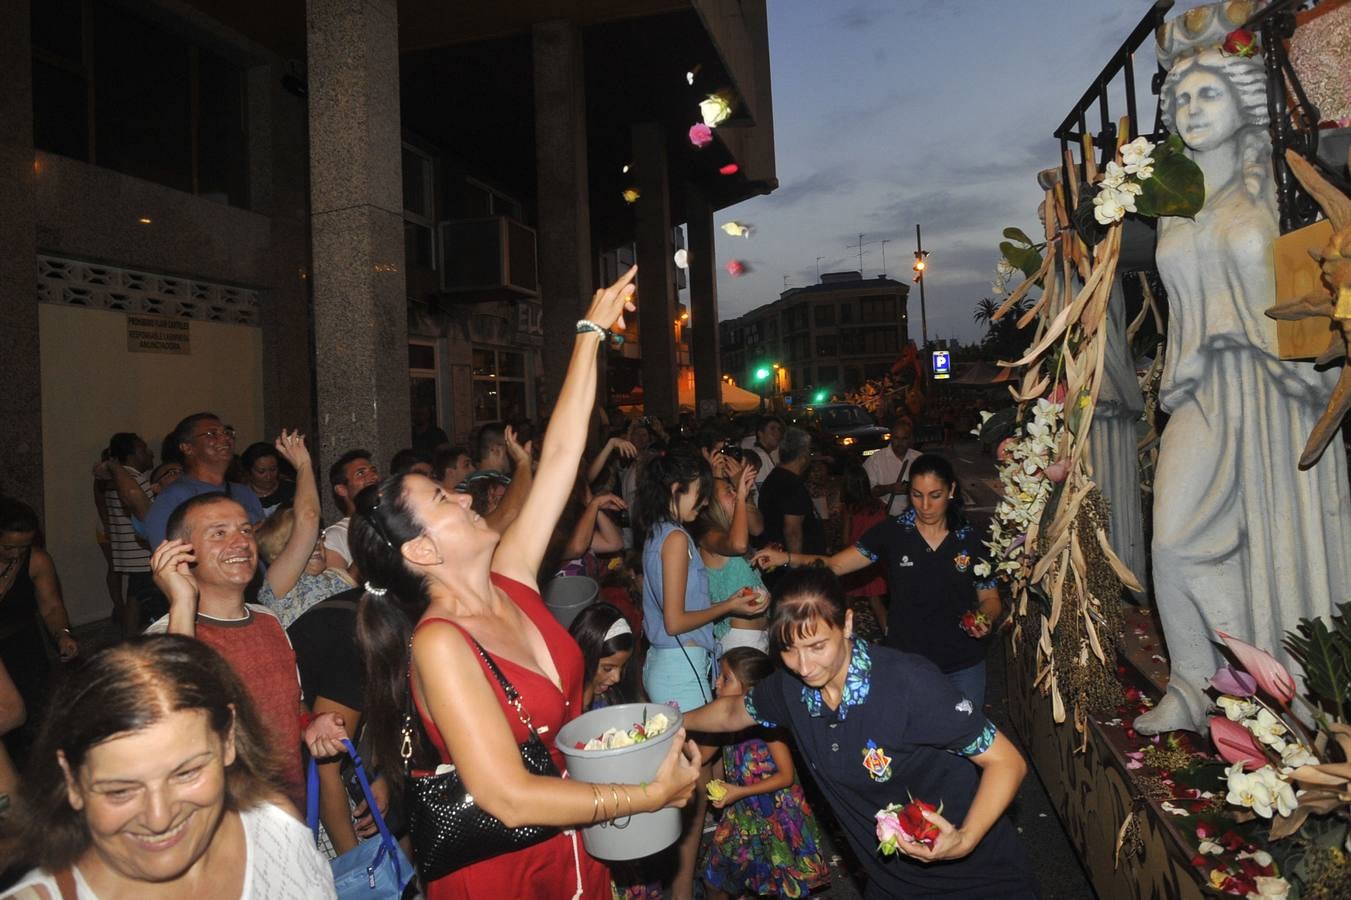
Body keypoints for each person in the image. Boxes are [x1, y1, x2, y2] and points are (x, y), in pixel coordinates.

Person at [346, 266, 699, 899]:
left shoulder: (510, 578)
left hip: (576, 839)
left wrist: (589, 334)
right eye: (441, 497)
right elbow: (506, 796)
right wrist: (645, 796)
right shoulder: (439, 644)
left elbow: (562, 456)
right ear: (421, 548)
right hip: (506, 870)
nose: (463, 496)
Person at [1136, 23, 1351, 733]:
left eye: (1207, 93)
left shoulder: (1284, 187)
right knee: (1169, 537)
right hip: (1201, 384)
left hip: (1278, 385)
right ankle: (1195, 682)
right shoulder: (1175, 201)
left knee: (1278, 544)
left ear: (1243, 104)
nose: (1191, 108)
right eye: (1179, 100)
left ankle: (1280, 696)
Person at [684, 568, 1037, 899]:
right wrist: (673, 722)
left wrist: (963, 839)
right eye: (789, 650)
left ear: (847, 623)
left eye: (817, 646)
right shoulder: (789, 690)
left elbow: (1007, 762)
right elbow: (733, 711)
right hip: (890, 884)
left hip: (976, 880)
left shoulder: (910, 685)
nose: (804, 666)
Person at [1, 635, 336, 899]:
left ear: (228, 741)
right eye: (120, 791)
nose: (159, 818)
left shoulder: (275, 826)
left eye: (186, 773)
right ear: (72, 779)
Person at [754, 454, 1001, 705]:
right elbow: (835, 564)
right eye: (916, 495)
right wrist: (784, 557)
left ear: (951, 491)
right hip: (907, 661)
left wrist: (984, 618)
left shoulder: (971, 539)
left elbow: (990, 598)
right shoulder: (892, 532)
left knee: (967, 740)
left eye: (935, 495)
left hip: (962, 664)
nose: (925, 505)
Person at [636, 451, 765, 900]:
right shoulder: (673, 538)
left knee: (689, 782)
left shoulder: (661, 533)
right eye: (697, 488)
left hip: (674, 663)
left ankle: (682, 885)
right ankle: (681, 890)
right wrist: (728, 607)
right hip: (678, 664)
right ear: (676, 491)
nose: (703, 497)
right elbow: (674, 619)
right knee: (689, 787)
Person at [147, 490, 315, 808]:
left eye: (246, 530)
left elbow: (292, 705)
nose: (240, 542)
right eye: (219, 533)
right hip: (226, 825)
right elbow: (173, 733)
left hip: (288, 814)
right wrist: (182, 602)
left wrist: (311, 725)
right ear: (182, 553)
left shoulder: (268, 620)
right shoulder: (166, 638)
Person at [701, 648, 829, 899]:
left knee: (782, 888)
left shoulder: (767, 724)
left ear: (749, 690)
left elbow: (786, 776)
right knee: (713, 876)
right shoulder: (725, 720)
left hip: (779, 817)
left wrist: (740, 791)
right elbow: (702, 755)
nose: (716, 682)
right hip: (742, 815)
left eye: (725, 678)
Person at [0, 498, 78, 768]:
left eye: (24, 546)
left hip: (23, 643)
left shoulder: (37, 560)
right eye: (8, 546)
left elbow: (51, 605)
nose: (16, 554)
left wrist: (62, 634)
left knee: (37, 716)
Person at [252, 432, 354, 628]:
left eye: (319, 537)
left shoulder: (338, 576)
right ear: (276, 551)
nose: (315, 544)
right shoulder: (278, 584)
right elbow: (308, 517)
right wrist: (304, 465)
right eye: (300, 539)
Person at [144, 413, 266, 548]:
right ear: (187, 448)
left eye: (227, 432)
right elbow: (167, 556)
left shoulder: (244, 492)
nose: (225, 438)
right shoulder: (172, 497)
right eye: (212, 434)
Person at [697, 463, 770, 655]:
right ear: (712, 504)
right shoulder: (707, 535)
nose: (736, 494)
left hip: (760, 634)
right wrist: (740, 494)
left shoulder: (731, 531)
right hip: (739, 639)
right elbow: (738, 545)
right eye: (728, 492)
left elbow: (757, 528)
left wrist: (743, 493)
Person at [95, 433, 156, 636]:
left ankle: (129, 639)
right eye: (144, 449)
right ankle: (135, 639)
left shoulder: (117, 477)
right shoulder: (133, 479)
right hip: (140, 550)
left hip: (128, 550)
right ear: (134, 453)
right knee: (143, 596)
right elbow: (149, 515)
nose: (149, 453)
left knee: (135, 594)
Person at [757, 427, 826, 562]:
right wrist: (796, 567)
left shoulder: (774, 478)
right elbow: (793, 531)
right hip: (796, 565)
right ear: (803, 457)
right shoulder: (792, 486)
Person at [839, 461, 889, 638]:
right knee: (876, 602)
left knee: (847, 602)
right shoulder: (879, 506)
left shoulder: (850, 508)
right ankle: (890, 635)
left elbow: (846, 538)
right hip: (875, 559)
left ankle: (845, 636)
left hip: (855, 558)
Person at [322, 449, 380, 570]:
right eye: (360, 473)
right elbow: (340, 587)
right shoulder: (335, 536)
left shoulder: (392, 521)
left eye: (373, 471)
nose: (373, 477)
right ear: (342, 490)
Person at [863, 416, 920, 517]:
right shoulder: (875, 460)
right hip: (886, 518)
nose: (900, 443)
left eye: (904, 439)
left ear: (910, 439)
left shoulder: (919, 458)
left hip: (915, 518)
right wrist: (890, 488)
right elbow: (865, 492)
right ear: (891, 437)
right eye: (896, 438)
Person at [240, 441, 295, 516]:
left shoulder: (291, 490)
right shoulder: (241, 495)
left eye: (273, 469)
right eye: (261, 471)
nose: (268, 476)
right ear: (249, 471)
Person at [739, 416, 783, 488]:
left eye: (779, 429)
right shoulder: (760, 455)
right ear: (760, 433)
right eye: (772, 429)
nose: (777, 433)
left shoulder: (761, 453)